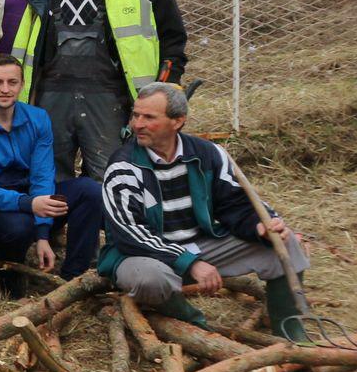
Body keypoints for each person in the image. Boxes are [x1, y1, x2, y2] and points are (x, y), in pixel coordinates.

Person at [100, 82, 310, 337]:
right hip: (143, 256)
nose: (137, 124)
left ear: (177, 121)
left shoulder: (207, 153)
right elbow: (130, 235)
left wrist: (260, 225)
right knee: (149, 278)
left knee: (284, 243)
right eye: (136, 115)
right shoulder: (123, 167)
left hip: (201, 246)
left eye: (149, 117)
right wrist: (190, 264)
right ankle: (196, 327)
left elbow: (236, 202)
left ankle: (291, 333)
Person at [11, 0, 165, 181]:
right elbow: (23, 54)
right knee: (50, 177)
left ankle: (107, 222)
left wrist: (141, 102)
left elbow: (146, 53)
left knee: (109, 176)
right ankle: (58, 224)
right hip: (52, 99)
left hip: (106, 99)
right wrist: (23, 102)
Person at [0, 56, 104, 279]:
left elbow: (42, 175)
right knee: (20, 226)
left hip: (33, 195)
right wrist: (29, 204)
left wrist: (43, 233)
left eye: (12, 82)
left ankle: (74, 277)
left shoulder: (38, 118)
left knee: (89, 191)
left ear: (22, 84)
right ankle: (10, 275)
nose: (5, 89)